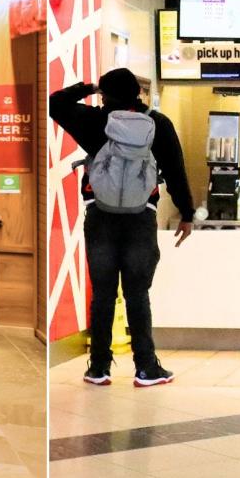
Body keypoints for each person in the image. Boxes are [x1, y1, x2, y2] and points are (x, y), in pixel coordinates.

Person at [49, 68, 194, 387]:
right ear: (138, 93)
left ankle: (98, 368)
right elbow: (175, 171)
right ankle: (146, 368)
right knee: (137, 294)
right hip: (141, 217)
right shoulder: (158, 123)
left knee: (102, 294)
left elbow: (55, 102)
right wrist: (187, 213)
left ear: (104, 94)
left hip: (99, 215)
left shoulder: (92, 120)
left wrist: (85, 88)